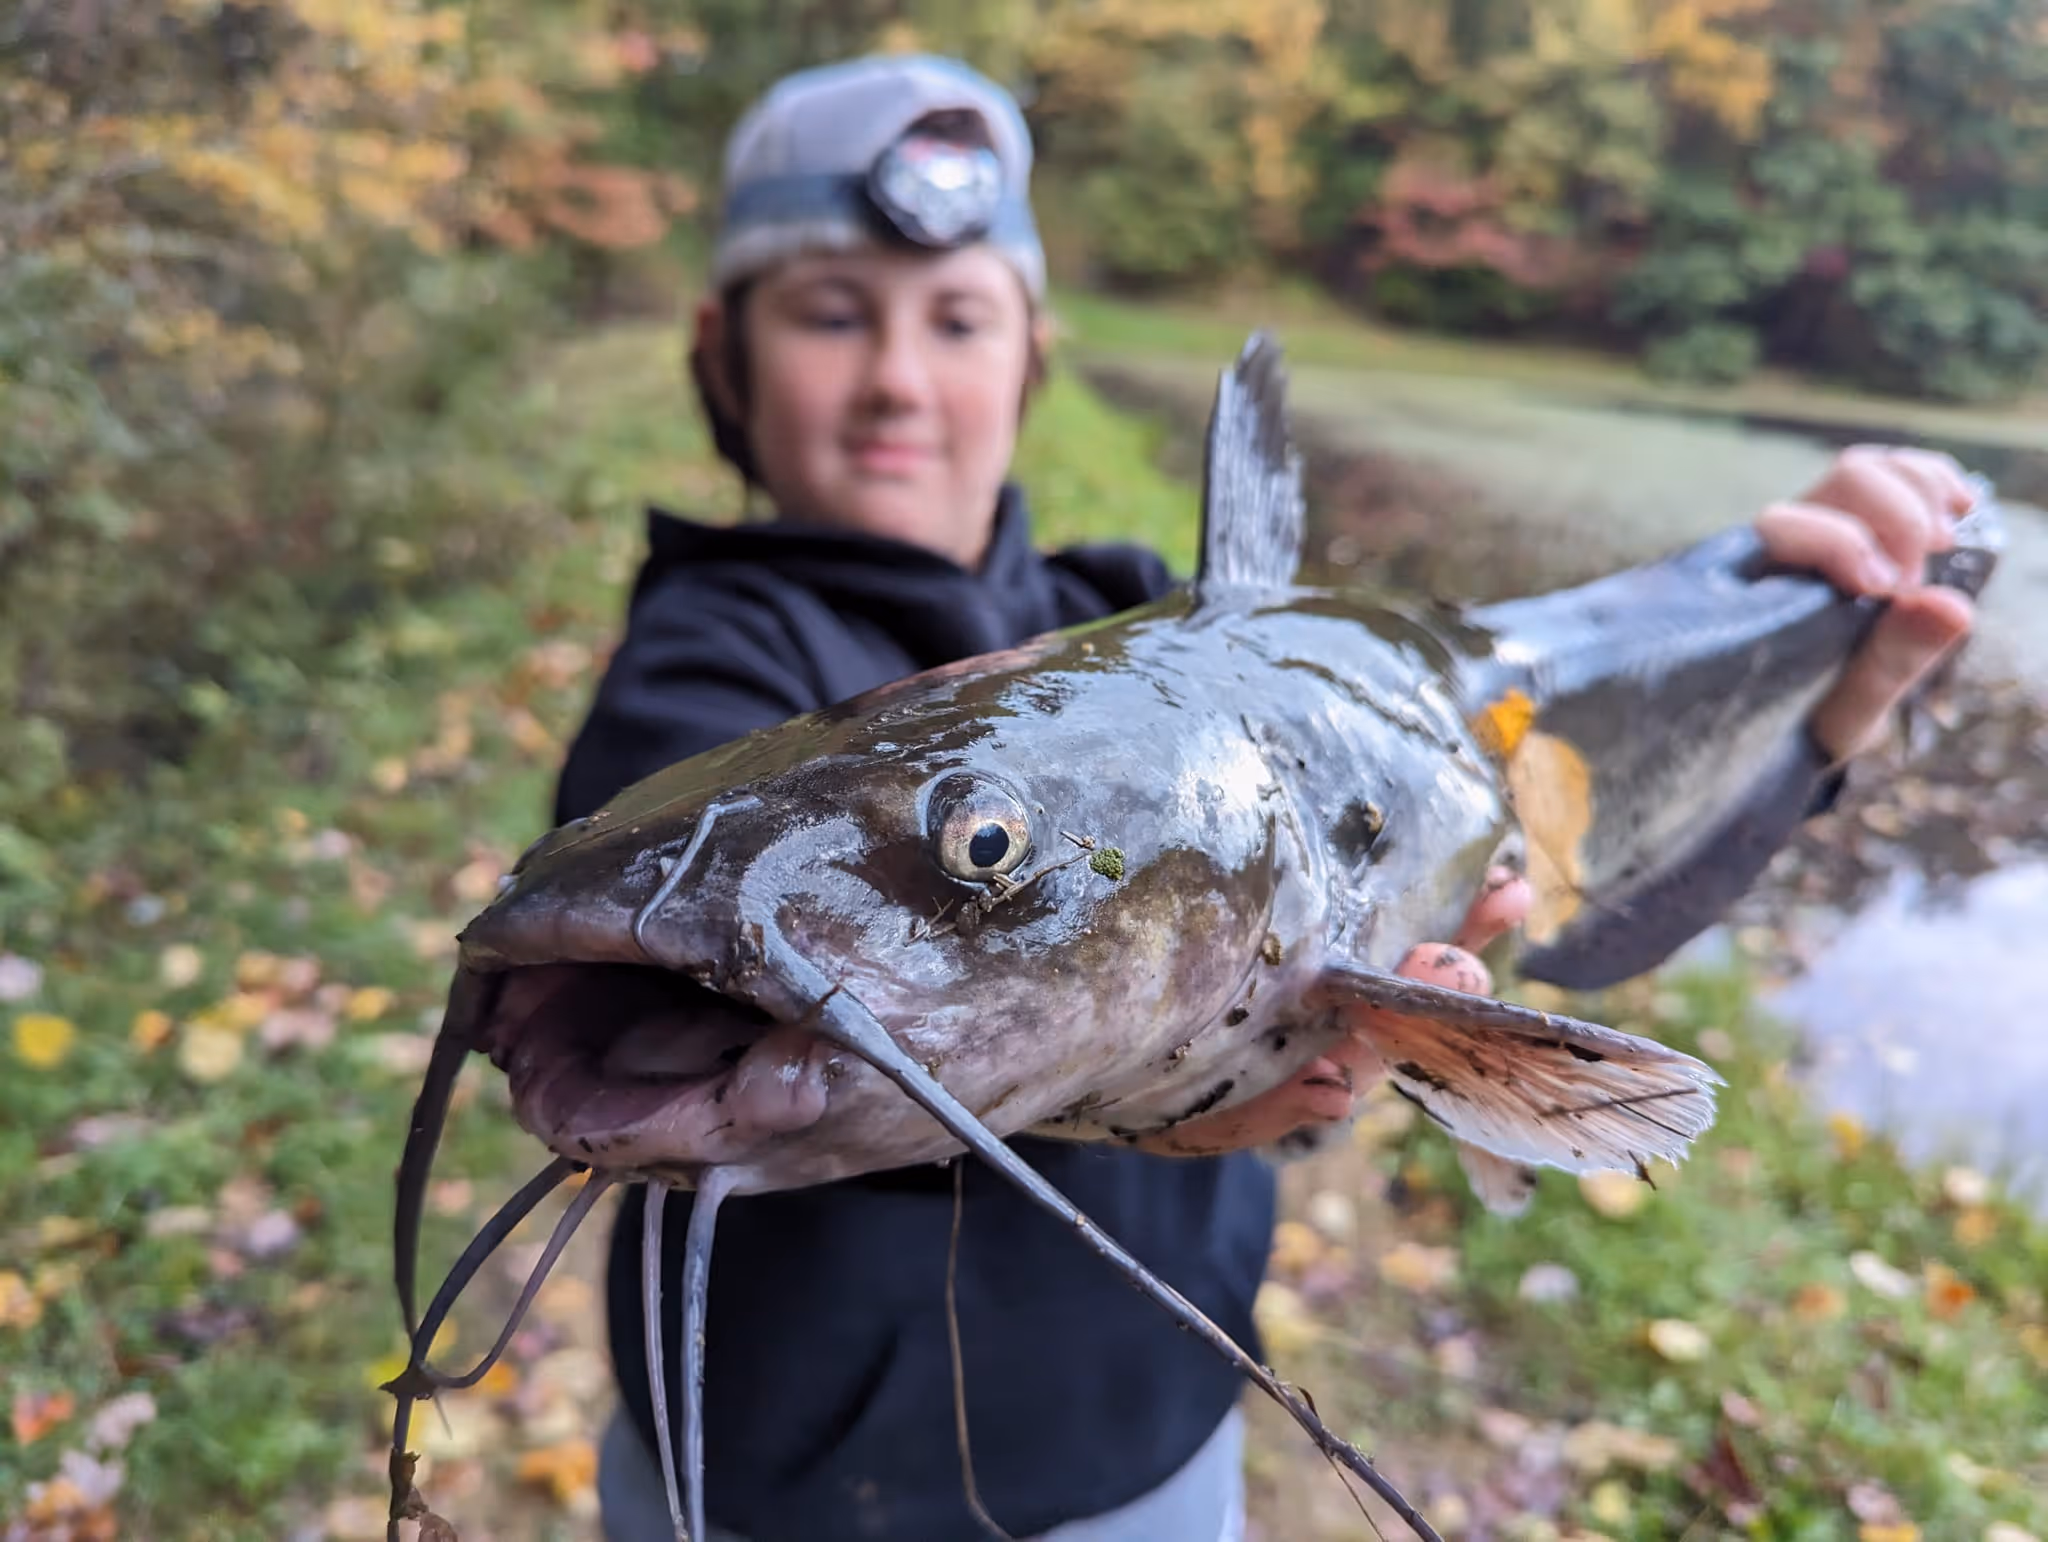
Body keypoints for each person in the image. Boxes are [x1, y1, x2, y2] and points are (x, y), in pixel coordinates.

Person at [550, 53, 1979, 1542]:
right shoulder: (704, 668)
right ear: (724, 351)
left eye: (957, 318)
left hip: (1164, 1455)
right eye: (831, 313)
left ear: (1033, 351)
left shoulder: (1137, 615)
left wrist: (1821, 722)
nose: (900, 378)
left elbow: (1558, 926)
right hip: (765, 1492)